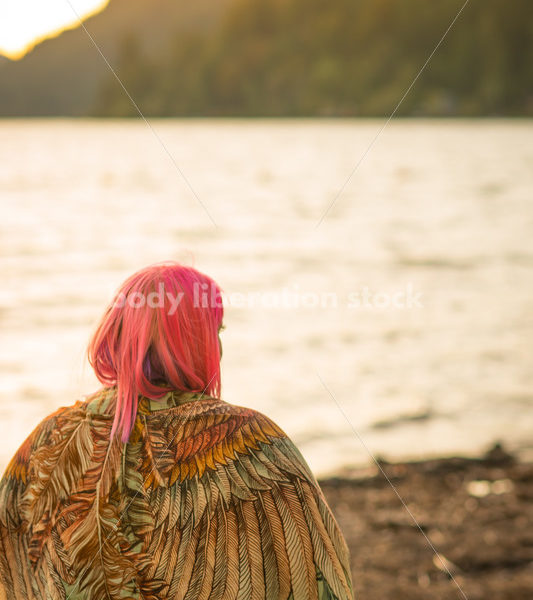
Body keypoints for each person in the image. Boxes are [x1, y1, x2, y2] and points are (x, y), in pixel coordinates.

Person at [0, 261, 354, 600]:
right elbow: (320, 577)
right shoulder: (252, 442)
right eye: (215, 332)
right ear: (195, 342)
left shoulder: (47, 439)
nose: (218, 346)